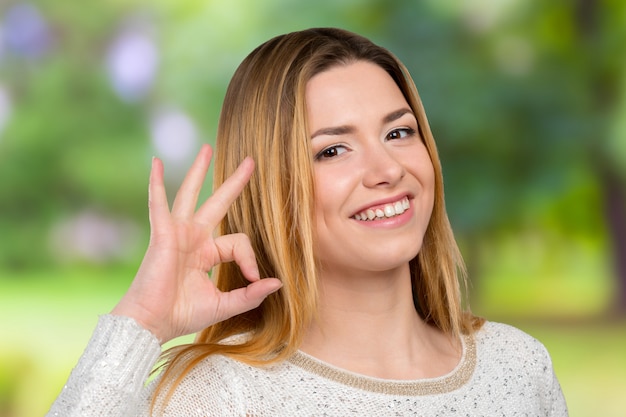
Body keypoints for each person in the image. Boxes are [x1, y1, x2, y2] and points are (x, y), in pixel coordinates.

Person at [46, 27, 568, 416]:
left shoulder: (518, 366)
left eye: (398, 133)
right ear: (274, 188)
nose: (387, 170)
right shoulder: (223, 393)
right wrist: (142, 317)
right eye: (333, 150)